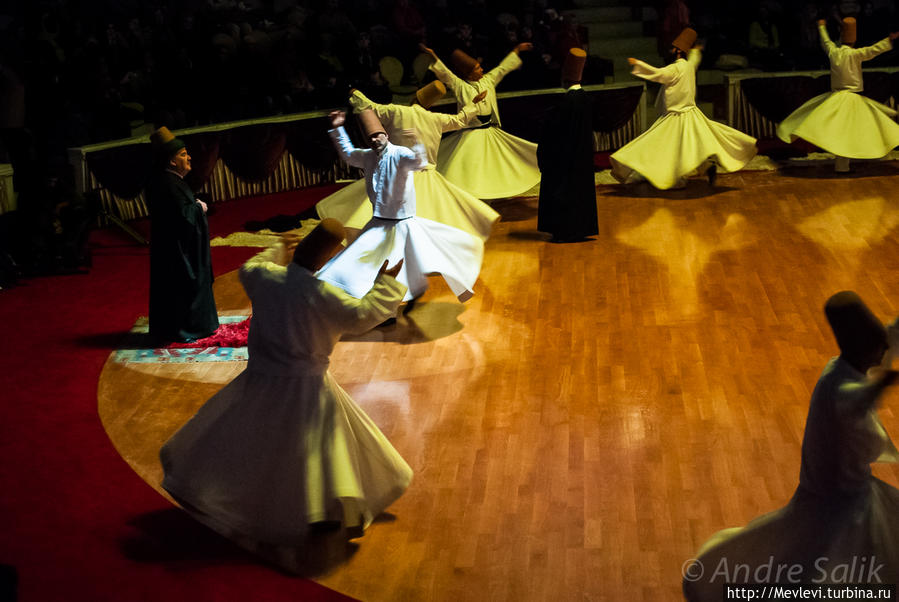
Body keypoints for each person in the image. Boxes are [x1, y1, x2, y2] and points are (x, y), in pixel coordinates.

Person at [160, 219, 412, 572]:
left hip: (261, 380)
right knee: (315, 449)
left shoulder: (266, 279)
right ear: (327, 260)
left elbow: (250, 267)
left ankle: (256, 497)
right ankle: (314, 509)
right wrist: (386, 283)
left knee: (256, 440)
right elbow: (364, 315)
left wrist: (278, 249)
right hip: (308, 387)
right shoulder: (324, 295)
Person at [683, 291, 899, 600]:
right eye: (879, 348)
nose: (884, 353)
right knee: (831, 574)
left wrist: (884, 375)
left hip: (840, 499)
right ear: (865, 348)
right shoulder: (843, 393)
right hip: (839, 507)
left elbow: (885, 348)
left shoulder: (838, 370)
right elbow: (866, 427)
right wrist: (886, 382)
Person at [316, 109, 484, 307]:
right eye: (371, 138)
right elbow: (347, 153)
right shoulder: (368, 156)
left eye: (378, 136)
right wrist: (338, 127)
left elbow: (419, 163)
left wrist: (418, 144)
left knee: (418, 259)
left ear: (386, 135)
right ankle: (371, 296)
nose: (375, 140)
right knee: (362, 258)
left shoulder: (401, 153)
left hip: (403, 223)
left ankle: (406, 296)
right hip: (378, 223)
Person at [316, 80, 499, 243]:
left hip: (399, 175)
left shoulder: (398, 111)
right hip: (427, 175)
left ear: (414, 97)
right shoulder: (436, 118)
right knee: (434, 216)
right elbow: (461, 120)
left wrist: (353, 93)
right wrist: (473, 105)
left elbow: (369, 106)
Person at [609, 29, 757, 190]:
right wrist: (695, 51)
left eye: (673, 48)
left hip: (676, 117)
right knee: (692, 146)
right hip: (691, 114)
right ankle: (706, 166)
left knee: (667, 147)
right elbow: (693, 60)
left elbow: (658, 74)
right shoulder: (689, 66)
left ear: (678, 51)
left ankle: (674, 178)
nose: (670, 50)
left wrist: (638, 64)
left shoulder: (676, 69)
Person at [420, 43, 542, 200]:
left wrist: (517, 50)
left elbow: (502, 68)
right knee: (470, 168)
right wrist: (434, 56)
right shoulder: (461, 86)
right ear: (470, 74)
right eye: (478, 68)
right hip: (471, 134)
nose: (482, 70)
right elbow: (446, 75)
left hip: (489, 130)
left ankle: (493, 192)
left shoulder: (487, 81)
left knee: (495, 163)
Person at [776, 18, 899, 173]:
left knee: (842, 132)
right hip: (850, 98)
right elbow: (874, 49)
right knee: (861, 129)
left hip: (838, 97)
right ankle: (845, 165)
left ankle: (843, 165)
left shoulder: (834, 52)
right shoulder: (856, 54)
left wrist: (821, 27)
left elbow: (826, 42)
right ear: (854, 40)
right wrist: (889, 40)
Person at [146, 126, 218, 343]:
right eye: (183, 155)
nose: (189, 158)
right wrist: (199, 208)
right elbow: (183, 218)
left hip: (175, 247)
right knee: (182, 288)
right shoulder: (167, 183)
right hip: (178, 251)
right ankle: (188, 329)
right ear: (171, 161)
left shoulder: (169, 181)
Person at [536, 48, 598, 243]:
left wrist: (544, 157)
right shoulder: (588, 101)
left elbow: (551, 135)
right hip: (583, 158)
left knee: (562, 193)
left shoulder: (562, 105)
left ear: (565, 80)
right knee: (582, 192)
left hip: (563, 160)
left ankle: (563, 230)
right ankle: (581, 229)